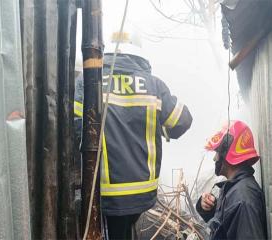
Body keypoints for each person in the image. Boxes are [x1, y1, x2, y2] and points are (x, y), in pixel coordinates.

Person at [74, 30, 193, 239]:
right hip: (142, 192)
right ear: (139, 53)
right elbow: (183, 121)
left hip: (103, 193)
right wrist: (161, 127)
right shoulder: (154, 85)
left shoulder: (88, 81)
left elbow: (75, 130)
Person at [196, 120, 267, 239]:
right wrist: (207, 208)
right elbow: (224, 227)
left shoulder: (243, 198)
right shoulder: (235, 190)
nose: (214, 159)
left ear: (227, 153)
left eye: (217, 152)